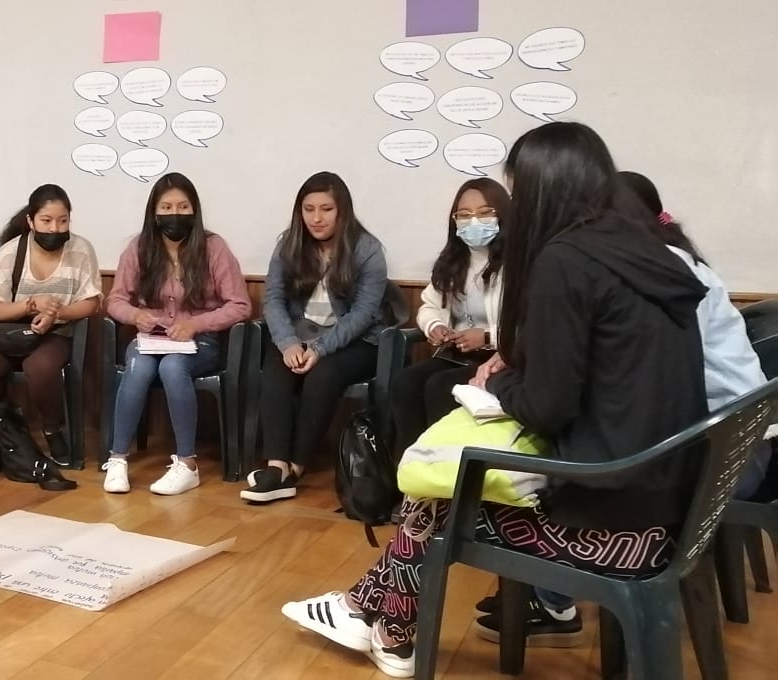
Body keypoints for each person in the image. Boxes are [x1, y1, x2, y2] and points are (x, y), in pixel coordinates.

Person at [280, 122, 710, 678]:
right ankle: (374, 619)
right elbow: (606, 362)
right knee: (445, 477)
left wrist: (497, 385)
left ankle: (383, 623)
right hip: (673, 504)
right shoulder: (648, 254)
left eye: (517, 192)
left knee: (439, 493)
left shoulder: (566, 259)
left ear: (542, 190)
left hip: (613, 530)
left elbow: (548, 407)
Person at [469, 170, 776, 647]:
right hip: (731, 444)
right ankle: (543, 594)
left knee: (542, 465)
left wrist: (513, 376)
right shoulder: (671, 263)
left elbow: (593, 381)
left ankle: (549, 596)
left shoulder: (651, 273)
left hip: (705, 459)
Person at [242, 172, 389, 503]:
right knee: (277, 369)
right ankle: (276, 466)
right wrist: (288, 344)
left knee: (323, 374)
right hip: (300, 335)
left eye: (326, 209)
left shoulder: (367, 249)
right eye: (309, 209)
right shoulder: (289, 244)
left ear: (342, 211)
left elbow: (362, 314)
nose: (316, 218)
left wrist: (320, 348)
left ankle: (295, 468)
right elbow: (273, 300)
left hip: (357, 341)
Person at [104, 172, 252, 495]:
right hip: (152, 339)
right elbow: (115, 300)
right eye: (167, 207)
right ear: (154, 213)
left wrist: (196, 324)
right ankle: (117, 459)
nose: (175, 214)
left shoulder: (213, 247)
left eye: (183, 207)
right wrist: (136, 315)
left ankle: (187, 465)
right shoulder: (139, 247)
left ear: (194, 210)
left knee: (172, 366)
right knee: (138, 366)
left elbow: (240, 305)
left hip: (200, 342)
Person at [0, 184, 102, 484]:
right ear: (30, 221)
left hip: (57, 330)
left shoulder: (81, 250)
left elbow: (91, 302)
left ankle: (53, 431)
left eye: (63, 221)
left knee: (40, 367)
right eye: (46, 221)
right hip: (11, 329)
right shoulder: (10, 252)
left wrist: (57, 313)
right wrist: (31, 304)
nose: (55, 228)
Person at [389, 178, 508, 458]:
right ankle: (408, 468)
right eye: (464, 215)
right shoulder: (452, 261)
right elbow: (429, 306)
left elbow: (528, 326)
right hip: (456, 354)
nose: (473, 222)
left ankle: (443, 468)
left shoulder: (518, 263)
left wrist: (487, 336)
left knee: (441, 387)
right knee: (405, 382)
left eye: (484, 213)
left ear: (503, 215)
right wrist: (436, 326)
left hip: (500, 359)